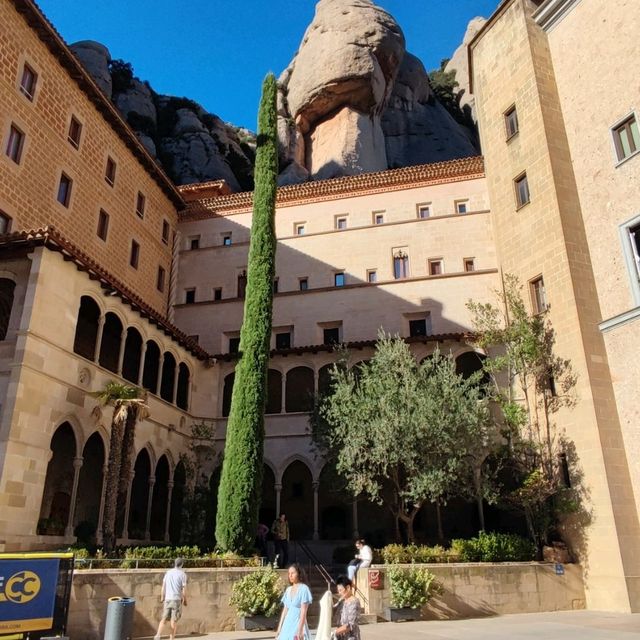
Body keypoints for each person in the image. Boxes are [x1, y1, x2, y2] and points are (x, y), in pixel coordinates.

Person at [275, 563, 312, 640]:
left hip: (297, 623)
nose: (290, 575)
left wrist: (300, 629)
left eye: (293, 573)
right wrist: (279, 628)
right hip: (287, 624)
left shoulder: (304, 589)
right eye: (289, 573)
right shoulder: (288, 590)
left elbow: (303, 611)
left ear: (298, 574)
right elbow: (285, 610)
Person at [154, 557, 187, 640]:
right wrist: (185, 599)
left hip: (168, 599)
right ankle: (171, 638)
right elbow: (184, 589)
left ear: (175, 564)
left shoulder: (168, 573)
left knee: (164, 618)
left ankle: (158, 635)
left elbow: (163, 586)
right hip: (176, 599)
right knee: (173, 620)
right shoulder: (182, 574)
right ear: (182, 564)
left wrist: (162, 597)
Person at [333, 575, 360, 640]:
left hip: (351, 637)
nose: (339, 593)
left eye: (340, 590)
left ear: (348, 588)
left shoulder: (354, 602)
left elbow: (350, 625)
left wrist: (335, 632)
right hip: (341, 636)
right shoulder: (342, 601)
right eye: (338, 590)